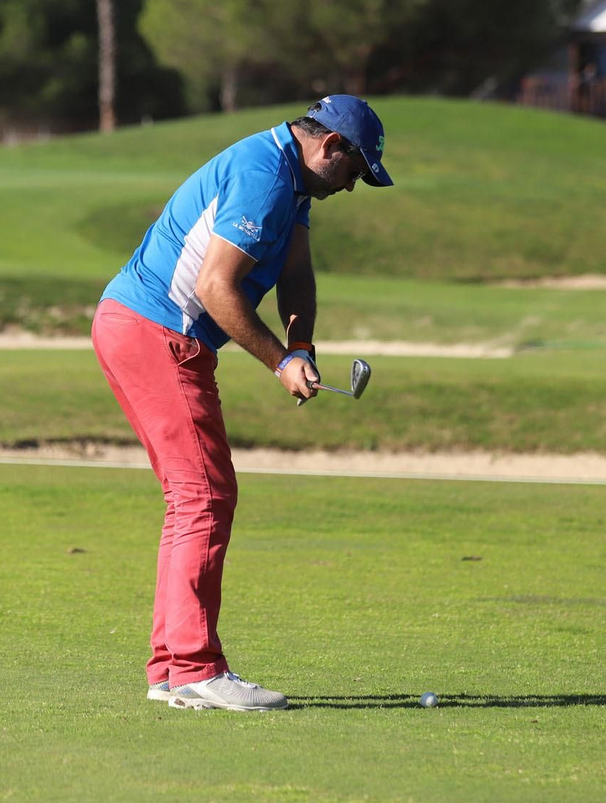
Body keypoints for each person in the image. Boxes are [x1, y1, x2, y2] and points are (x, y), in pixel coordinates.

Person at [91, 94, 393, 712]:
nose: (353, 187)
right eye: (354, 171)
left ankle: (173, 669)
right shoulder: (263, 177)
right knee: (203, 494)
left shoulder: (292, 181)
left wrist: (302, 341)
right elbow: (215, 286)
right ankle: (198, 670)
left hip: (139, 328)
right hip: (155, 331)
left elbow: (297, 272)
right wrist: (279, 361)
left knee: (192, 496)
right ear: (329, 146)